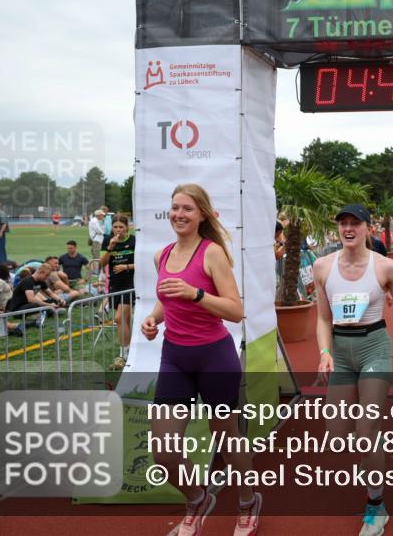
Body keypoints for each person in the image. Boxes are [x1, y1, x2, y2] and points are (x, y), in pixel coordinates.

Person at [140, 183, 261, 536]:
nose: (179, 214)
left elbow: (235, 311)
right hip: (175, 358)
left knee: (226, 438)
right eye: (175, 207)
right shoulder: (161, 256)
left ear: (203, 215)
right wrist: (153, 319)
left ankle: (248, 501)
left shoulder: (212, 254)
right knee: (163, 451)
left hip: (214, 358)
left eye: (188, 209)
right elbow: (167, 299)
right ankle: (197, 498)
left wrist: (196, 294)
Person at [314, 203, 393, 536]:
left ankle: (376, 506)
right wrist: (324, 352)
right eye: (343, 223)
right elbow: (323, 318)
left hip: (374, 347)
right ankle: (374, 439)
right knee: (336, 435)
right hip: (341, 352)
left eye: (355, 223)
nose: (348, 228)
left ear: (367, 229)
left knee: (365, 432)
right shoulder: (322, 266)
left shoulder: (385, 267)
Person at [100, 214, 135, 362]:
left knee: (119, 318)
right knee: (125, 320)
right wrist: (110, 248)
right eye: (115, 227)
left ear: (127, 227)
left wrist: (126, 266)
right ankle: (131, 351)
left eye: (121, 227)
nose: (118, 230)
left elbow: (143, 262)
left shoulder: (133, 240)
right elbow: (102, 263)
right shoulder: (108, 240)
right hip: (115, 284)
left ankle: (124, 354)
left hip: (131, 284)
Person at [88, 209, 106, 276]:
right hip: (97, 241)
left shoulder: (96, 221)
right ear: (98, 215)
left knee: (95, 256)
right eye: (102, 215)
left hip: (96, 240)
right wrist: (103, 232)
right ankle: (97, 271)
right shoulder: (94, 221)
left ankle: (96, 271)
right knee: (97, 256)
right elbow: (99, 231)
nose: (103, 216)